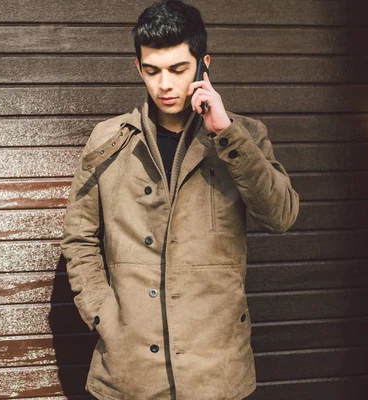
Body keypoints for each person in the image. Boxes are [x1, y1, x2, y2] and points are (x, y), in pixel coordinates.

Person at [60, 0, 299, 398]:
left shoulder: (244, 136)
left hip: (216, 370)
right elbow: (78, 238)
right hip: (131, 369)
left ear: (204, 65)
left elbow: (281, 215)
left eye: (178, 69)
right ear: (138, 67)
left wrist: (225, 131)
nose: (164, 85)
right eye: (152, 71)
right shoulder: (107, 141)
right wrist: (103, 315)